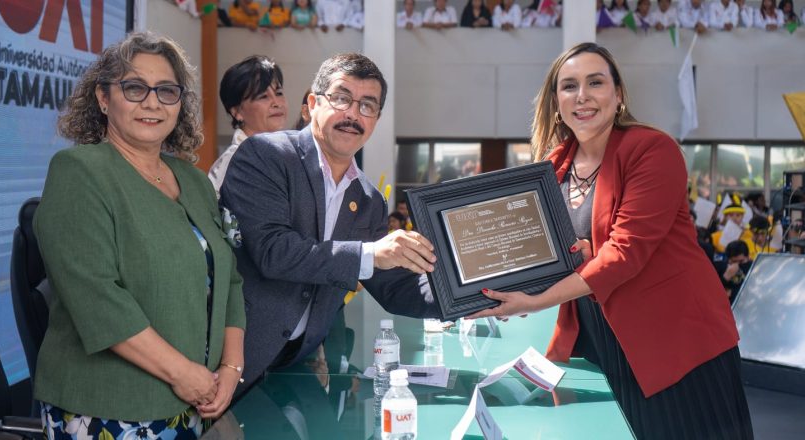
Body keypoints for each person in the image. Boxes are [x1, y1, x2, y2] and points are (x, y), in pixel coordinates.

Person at [469, 42, 752, 440]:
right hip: (599, 341)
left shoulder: (652, 150)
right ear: (556, 101)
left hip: (674, 341)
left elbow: (625, 252)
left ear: (618, 95)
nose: (581, 96)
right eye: (569, 86)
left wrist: (532, 300)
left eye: (595, 82)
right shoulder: (552, 168)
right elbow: (550, 249)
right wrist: (498, 285)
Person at [34, 32, 247, 438]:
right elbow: (98, 299)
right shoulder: (78, 172)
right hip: (108, 409)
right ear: (102, 98)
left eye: (166, 91)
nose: (152, 103)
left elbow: (229, 279)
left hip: (198, 400)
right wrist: (185, 374)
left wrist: (230, 369)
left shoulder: (195, 181)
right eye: (135, 88)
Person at [219, 53, 441, 390]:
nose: (353, 114)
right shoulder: (265, 155)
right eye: (341, 99)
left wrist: (474, 295)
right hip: (233, 363)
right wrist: (371, 254)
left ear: (376, 119)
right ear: (312, 103)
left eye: (368, 105)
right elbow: (274, 252)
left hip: (295, 369)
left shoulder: (369, 200)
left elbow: (394, 288)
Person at [208, 56, 288, 197]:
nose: (276, 103)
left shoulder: (289, 154)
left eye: (279, 93)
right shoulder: (231, 163)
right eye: (263, 96)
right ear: (237, 112)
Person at [715, 240, 752, 304]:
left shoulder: (752, 267)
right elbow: (712, 290)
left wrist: (733, 292)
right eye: (734, 262)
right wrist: (726, 277)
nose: (736, 265)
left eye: (741, 261)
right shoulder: (721, 265)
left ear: (748, 257)